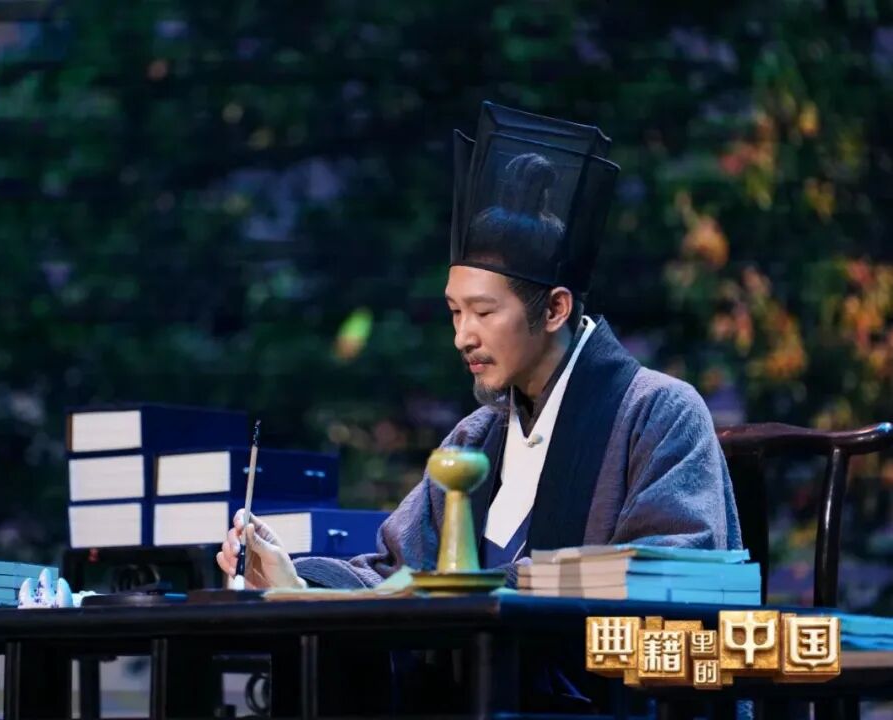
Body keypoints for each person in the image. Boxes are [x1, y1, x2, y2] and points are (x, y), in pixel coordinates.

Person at [216, 101, 743, 592]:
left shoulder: (658, 413)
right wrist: (294, 581)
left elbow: (672, 570)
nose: (462, 336)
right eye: (455, 311)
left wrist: (490, 590)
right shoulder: (474, 438)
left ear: (555, 309)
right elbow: (395, 575)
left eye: (484, 312)